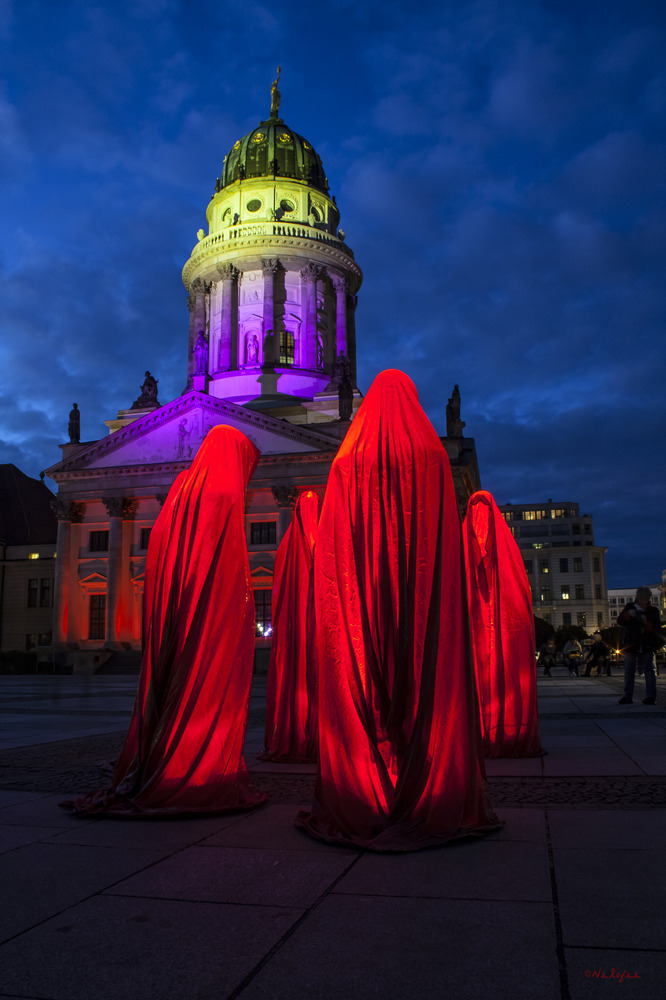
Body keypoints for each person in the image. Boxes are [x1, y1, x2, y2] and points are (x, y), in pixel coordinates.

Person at [296, 370, 500, 851]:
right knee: (421, 677)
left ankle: (365, 782)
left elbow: (334, 551)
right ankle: (428, 778)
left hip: (361, 603)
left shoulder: (347, 458)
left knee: (368, 681)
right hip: (421, 599)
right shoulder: (430, 454)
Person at [65, 425, 266, 815]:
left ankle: (166, 754)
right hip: (211, 623)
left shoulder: (180, 490)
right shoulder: (222, 492)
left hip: (173, 621)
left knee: (176, 687)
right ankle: (194, 764)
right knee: (205, 692)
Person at [463, 490, 543, 758]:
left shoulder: (509, 561)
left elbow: (517, 600)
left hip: (500, 635)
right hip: (474, 636)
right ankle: (479, 728)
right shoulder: (461, 553)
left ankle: (503, 727)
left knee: (502, 683)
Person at [262, 490, 320, 763]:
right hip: (295, 633)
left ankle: (313, 732)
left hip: (316, 633)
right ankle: (297, 731)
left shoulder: (316, 542)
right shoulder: (289, 548)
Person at [617, 587, 662, 705]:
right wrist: (628, 615)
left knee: (649, 670)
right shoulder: (630, 607)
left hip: (646, 644)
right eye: (641, 599)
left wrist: (646, 622)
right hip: (631, 644)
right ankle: (628, 696)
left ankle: (651, 697)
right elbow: (620, 621)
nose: (643, 602)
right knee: (630, 670)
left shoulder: (653, 610)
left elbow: (656, 628)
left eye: (645, 599)